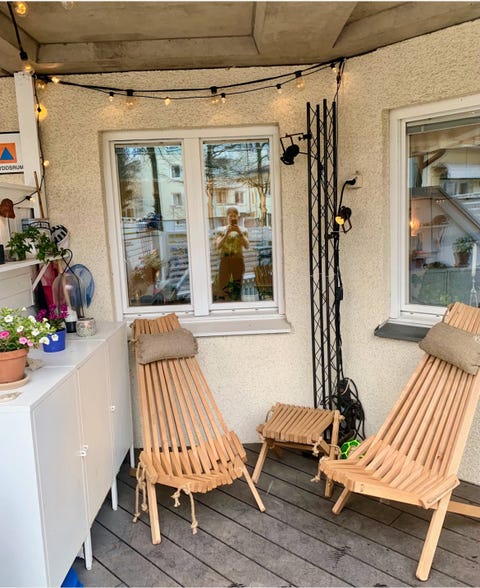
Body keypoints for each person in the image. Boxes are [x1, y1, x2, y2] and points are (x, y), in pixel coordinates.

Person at [214, 206, 249, 301]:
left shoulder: (243, 230)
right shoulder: (221, 230)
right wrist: (226, 233)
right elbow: (218, 246)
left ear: (237, 217)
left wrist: (240, 233)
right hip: (225, 260)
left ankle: (237, 304)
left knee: (237, 286)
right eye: (230, 216)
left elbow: (247, 246)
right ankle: (225, 305)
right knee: (223, 286)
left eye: (235, 216)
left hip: (238, 260)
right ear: (227, 217)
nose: (233, 218)